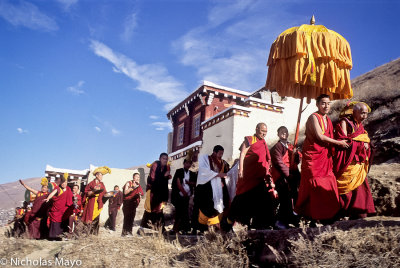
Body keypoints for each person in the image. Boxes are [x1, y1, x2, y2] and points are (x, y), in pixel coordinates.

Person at [295, 94, 349, 224]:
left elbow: (333, 135)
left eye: (328, 103)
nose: (326, 106)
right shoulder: (314, 117)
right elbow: (320, 136)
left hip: (325, 157)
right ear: (317, 104)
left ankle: (328, 215)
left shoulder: (329, 120)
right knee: (314, 184)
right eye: (323, 103)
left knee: (329, 182)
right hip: (313, 157)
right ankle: (311, 216)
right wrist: (338, 143)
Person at [227, 123, 276, 230]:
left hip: (259, 176)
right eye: (262, 130)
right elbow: (243, 154)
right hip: (248, 175)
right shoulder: (250, 139)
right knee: (242, 196)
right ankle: (230, 219)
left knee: (264, 199)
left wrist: (268, 174)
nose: (264, 133)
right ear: (257, 129)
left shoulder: (263, 143)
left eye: (266, 131)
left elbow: (266, 160)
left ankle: (261, 224)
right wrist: (241, 169)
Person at [333, 101, 376, 219]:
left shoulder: (359, 125)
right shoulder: (344, 122)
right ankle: (341, 213)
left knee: (360, 187)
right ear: (354, 112)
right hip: (347, 161)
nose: (365, 117)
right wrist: (362, 143)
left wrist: (366, 143)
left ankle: (358, 213)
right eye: (362, 113)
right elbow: (344, 140)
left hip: (358, 163)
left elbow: (362, 138)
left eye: (366, 114)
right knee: (345, 187)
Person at [270, 126, 302, 229]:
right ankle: (280, 222)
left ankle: (294, 220)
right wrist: (288, 175)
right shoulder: (277, 147)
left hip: (292, 175)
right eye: (281, 132)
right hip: (282, 176)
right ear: (278, 134)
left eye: (285, 132)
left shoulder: (291, 146)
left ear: (288, 134)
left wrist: (296, 154)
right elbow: (279, 162)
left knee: (295, 197)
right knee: (285, 199)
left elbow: (297, 160)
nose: (284, 133)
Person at [195, 145, 230, 231]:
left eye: (222, 153)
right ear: (214, 152)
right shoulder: (207, 159)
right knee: (206, 206)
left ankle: (217, 227)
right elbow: (204, 171)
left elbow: (227, 172)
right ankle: (202, 228)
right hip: (207, 188)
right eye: (220, 153)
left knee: (220, 206)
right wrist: (218, 175)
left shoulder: (224, 163)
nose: (221, 155)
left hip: (219, 188)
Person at [139, 153, 171, 232]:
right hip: (153, 190)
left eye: (166, 159)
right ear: (159, 158)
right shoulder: (155, 165)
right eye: (163, 158)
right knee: (152, 209)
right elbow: (153, 179)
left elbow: (164, 181)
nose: (165, 160)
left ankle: (159, 228)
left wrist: (167, 177)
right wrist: (164, 176)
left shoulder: (165, 167)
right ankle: (150, 227)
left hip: (160, 192)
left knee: (159, 209)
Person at [81, 166, 110, 235]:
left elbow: (104, 193)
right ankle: (87, 233)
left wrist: (110, 194)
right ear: (97, 175)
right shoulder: (91, 183)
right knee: (89, 218)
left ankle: (95, 234)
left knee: (97, 218)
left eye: (102, 175)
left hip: (98, 203)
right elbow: (87, 193)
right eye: (101, 175)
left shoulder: (102, 184)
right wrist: (94, 191)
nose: (102, 176)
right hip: (91, 203)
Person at [171, 159, 196, 234]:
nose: (188, 165)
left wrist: (188, 183)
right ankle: (175, 229)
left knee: (185, 212)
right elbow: (178, 183)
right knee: (178, 212)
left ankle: (185, 229)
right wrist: (183, 192)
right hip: (179, 195)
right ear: (184, 163)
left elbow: (194, 183)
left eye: (190, 163)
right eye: (187, 163)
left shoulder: (192, 173)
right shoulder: (179, 171)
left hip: (187, 196)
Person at [45, 175, 73, 240]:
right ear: (61, 183)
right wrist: (48, 198)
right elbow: (52, 193)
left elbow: (70, 197)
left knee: (63, 222)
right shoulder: (58, 188)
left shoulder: (68, 189)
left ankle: (62, 236)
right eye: (63, 183)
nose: (64, 184)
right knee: (55, 223)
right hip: (57, 209)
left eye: (65, 183)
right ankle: (53, 236)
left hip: (64, 209)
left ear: (67, 183)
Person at [122, 170, 144, 236]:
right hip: (127, 203)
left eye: (139, 177)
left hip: (134, 204)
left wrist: (139, 195)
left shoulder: (138, 185)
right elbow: (125, 192)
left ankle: (129, 232)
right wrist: (132, 188)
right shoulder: (129, 183)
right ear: (133, 177)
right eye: (136, 177)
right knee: (127, 218)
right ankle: (124, 233)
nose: (138, 178)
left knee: (131, 218)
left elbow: (141, 194)